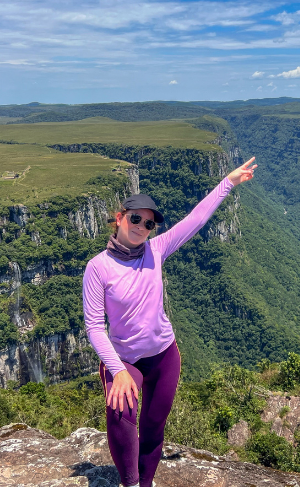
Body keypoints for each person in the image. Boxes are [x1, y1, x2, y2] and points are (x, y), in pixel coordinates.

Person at [83, 157, 257, 487]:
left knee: (153, 427)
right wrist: (117, 371)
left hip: (164, 356)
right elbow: (94, 326)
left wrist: (229, 182)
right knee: (121, 412)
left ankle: (145, 482)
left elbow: (196, 219)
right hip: (125, 359)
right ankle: (130, 483)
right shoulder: (98, 268)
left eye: (149, 224)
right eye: (135, 219)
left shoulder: (157, 249)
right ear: (119, 218)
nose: (141, 228)